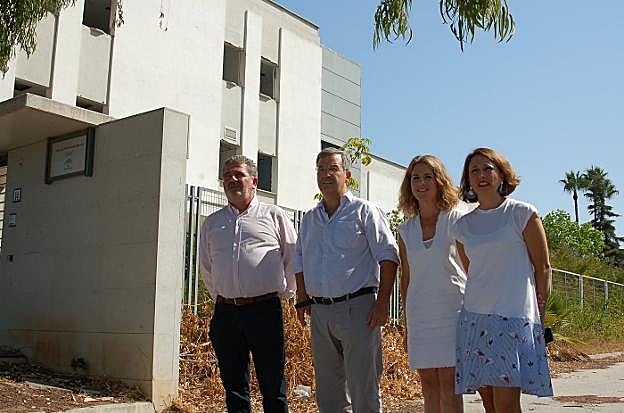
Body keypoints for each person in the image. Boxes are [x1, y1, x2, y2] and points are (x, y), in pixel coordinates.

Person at [294, 147, 399, 413]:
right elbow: (299, 259)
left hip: (359, 309)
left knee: (363, 387)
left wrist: (382, 303)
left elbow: (389, 256)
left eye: (333, 169)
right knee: (328, 390)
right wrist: (302, 297)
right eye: (321, 169)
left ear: (348, 175)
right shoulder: (309, 219)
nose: (326, 175)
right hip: (320, 312)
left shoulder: (365, 211)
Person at [452, 147, 553, 413]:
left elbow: (543, 267)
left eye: (488, 169)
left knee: (506, 404)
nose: (481, 175)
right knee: (489, 403)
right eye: (474, 171)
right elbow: (471, 271)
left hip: (513, 318)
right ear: (468, 179)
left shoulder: (522, 213)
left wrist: (540, 312)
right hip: (475, 319)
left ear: (501, 174)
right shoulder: (462, 226)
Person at [199, 155, 297, 413]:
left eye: (239, 174)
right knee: (233, 387)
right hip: (226, 313)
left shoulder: (273, 215)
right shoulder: (212, 223)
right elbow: (207, 267)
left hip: (264, 311)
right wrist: (224, 296)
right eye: (227, 176)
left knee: (273, 385)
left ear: (254, 181)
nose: (232, 180)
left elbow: (292, 258)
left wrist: (285, 293)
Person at [397, 155, 467, 413]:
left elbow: (470, 269)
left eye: (428, 176)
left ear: (440, 181)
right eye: (415, 178)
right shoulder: (405, 231)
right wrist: (407, 322)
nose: (421, 183)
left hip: (453, 313)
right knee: (428, 386)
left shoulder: (456, 220)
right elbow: (406, 278)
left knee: (449, 386)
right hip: (420, 316)